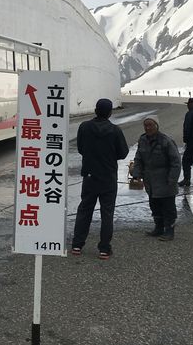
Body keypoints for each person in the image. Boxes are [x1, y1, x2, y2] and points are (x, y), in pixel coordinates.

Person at [70, 98, 129, 260]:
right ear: (110, 112)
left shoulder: (84, 127)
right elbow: (123, 153)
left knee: (84, 210)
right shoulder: (115, 130)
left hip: (89, 176)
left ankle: (77, 245)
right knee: (107, 213)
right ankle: (104, 249)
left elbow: (81, 148)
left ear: (96, 110)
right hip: (108, 177)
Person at [132, 116, 182, 241]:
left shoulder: (166, 141)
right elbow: (138, 158)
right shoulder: (142, 140)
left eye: (150, 125)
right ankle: (158, 228)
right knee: (154, 205)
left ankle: (169, 231)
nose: (148, 128)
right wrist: (136, 174)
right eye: (146, 125)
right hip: (150, 180)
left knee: (168, 207)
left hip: (165, 180)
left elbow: (176, 162)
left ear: (157, 126)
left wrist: (172, 180)